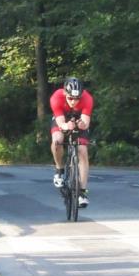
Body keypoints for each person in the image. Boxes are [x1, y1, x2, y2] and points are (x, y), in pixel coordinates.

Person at [50, 77, 93, 208]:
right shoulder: (56, 97)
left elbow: (86, 123)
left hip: (78, 120)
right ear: (65, 93)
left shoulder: (87, 98)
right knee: (57, 141)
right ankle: (59, 169)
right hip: (62, 120)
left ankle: (82, 192)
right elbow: (60, 123)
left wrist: (81, 124)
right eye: (70, 98)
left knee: (82, 151)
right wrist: (65, 126)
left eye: (77, 98)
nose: (73, 101)